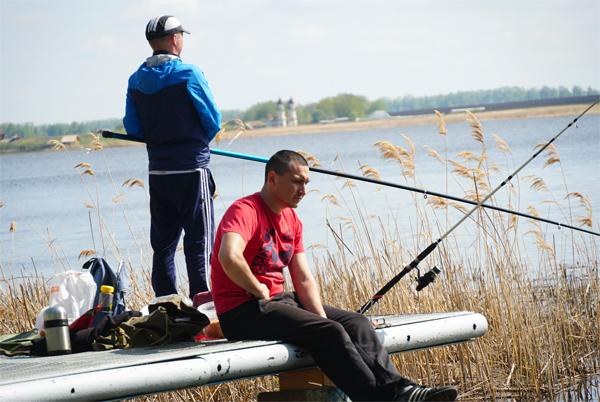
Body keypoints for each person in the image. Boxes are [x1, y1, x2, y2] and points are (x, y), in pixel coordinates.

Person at [210, 150, 459, 402]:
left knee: (357, 324)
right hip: (244, 311)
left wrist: (319, 317)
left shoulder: (291, 219)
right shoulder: (245, 210)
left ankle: (400, 390)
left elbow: (303, 277)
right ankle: (384, 398)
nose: (303, 190)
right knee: (330, 333)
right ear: (272, 177)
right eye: (296, 181)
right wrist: (258, 289)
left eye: (306, 182)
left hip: (277, 303)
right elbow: (229, 256)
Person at [123, 15, 221, 299]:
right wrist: (193, 143)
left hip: (159, 172)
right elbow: (213, 120)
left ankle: (165, 304)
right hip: (192, 169)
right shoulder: (189, 73)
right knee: (199, 241)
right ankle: (203, 304)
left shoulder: (136, 79)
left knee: (163, 244)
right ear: (176, 39)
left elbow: (133, 127)